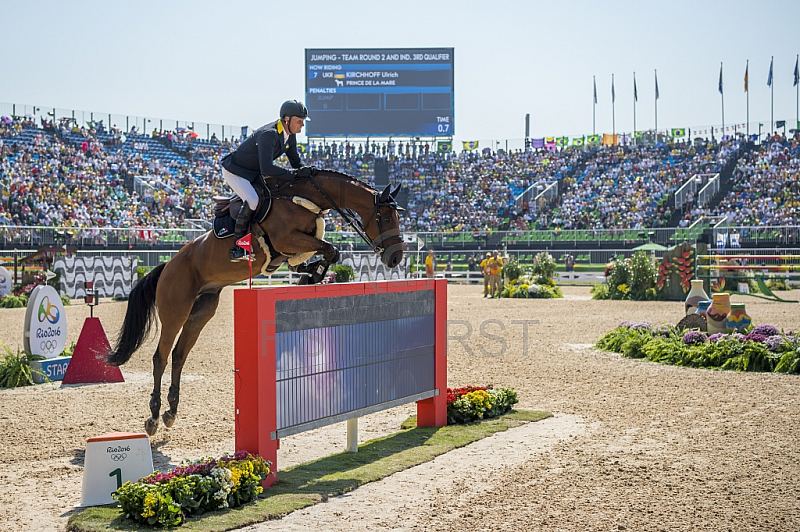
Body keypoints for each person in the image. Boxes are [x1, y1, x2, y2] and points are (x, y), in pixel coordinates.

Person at [220, 100, 314, 261]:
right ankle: (238, 247)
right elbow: (267, 169)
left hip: (252, 172)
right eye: (299, 121)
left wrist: (308, 174)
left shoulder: (289, 136)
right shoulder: (268, 134)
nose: (302, 126)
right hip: (235, 171)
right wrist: (293, 175)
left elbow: (296, 162)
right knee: (253, 200)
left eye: (302, 122)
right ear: (287, 119)